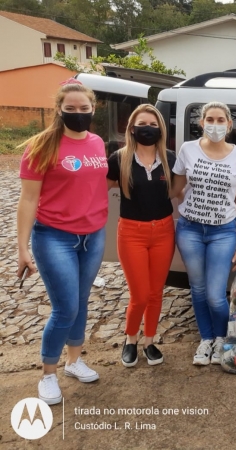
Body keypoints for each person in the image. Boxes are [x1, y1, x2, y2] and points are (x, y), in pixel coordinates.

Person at [17, 79, 108, 405]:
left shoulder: (97, 143)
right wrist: (22, 248)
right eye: (71, 109)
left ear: (93, 109)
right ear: (59, 110)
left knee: (81, 301)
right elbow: (28, 201)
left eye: (84, 109)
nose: (78, 114)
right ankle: (48, 374)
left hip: (93, 235)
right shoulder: (41, 146)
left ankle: (74, 361)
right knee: (65, 307)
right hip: (54, 236)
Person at [170, 101, 236, 366]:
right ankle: (206, 340)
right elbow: (176, 189)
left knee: (216, 295)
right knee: (197, 288)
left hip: (223, 232)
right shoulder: (188, 150)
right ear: (201, 122)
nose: (214, 125)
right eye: (210, 119)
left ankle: (221, 338)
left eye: (220, 120)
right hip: (190, 229)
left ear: (229, 125)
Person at [106, 104, 176, 368]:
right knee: (140, 295)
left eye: (153, 124)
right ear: (132, 129)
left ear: (160, 128)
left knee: (156, 292)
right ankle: (130, 339)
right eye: (142, 124)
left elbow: (180, 190)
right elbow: (97, 189)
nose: (147, 129)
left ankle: (149, 341)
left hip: (164, 231)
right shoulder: (119, 159)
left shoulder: (170, 158)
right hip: (131, 233)